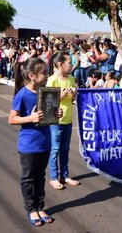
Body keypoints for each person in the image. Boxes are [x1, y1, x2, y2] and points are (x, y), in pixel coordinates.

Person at [8, 58, 61, 226]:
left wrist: (55, 114)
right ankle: (31, 209)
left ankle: (40, 206)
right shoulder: (22, 94)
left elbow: (48, 118)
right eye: (44, 72)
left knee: (40, 177)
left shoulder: (46, 92)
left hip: (45, 143)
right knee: (28, 178)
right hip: (29, 145)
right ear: (32, 75)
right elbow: (12, 119)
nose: (47, 75)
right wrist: (30, 118)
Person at [47, 52, 80, 190]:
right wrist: (62, 95)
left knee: (65, 149)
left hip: (68, 118)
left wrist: (74, 94)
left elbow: (72, 100)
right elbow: (47, 102)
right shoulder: (52, 80)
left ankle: (65, 176)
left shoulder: (71, 79)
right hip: (55, 120)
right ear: (61, 64)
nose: (72, 64)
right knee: (55, 149)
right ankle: (53, 177)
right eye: (70, 62)